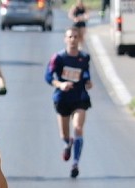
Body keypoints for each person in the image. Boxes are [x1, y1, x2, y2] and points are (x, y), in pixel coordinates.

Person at [45, 27, 93, 178]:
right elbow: (48, 76)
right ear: (65, 39)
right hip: (63, 98)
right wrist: (60, 85)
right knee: (64, 133)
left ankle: (75, 164)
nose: (73, 40)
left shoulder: (84, 57)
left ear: (79, 39)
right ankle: (67, 143)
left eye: (75, 37)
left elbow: (85, 73)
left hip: (79, 97)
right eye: (70, 37)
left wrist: (88, 81)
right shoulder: (58, 58)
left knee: (78, 128)